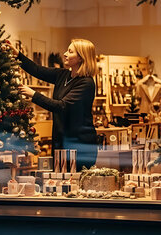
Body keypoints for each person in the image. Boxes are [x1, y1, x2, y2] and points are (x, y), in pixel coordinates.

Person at [9, 39, 98, 170]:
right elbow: (37, 70)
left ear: (81, 57)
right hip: (61, 140)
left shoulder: (86, 83)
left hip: (80, 145)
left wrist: (33, 94)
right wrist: (18, 55)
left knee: (77, 183)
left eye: (70, 51)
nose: (65, 54)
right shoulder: (63, 75)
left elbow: (61, 106)